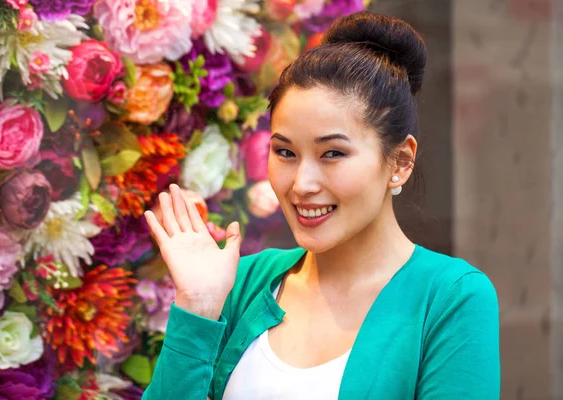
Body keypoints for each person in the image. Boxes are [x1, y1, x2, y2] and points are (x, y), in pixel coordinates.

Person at [141, 11, 500, 400]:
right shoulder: (241, 282)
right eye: (285, 152)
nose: (302, 184)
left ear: (400, 162)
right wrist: (197, 308)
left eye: (332, 153)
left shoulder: (450, 298)